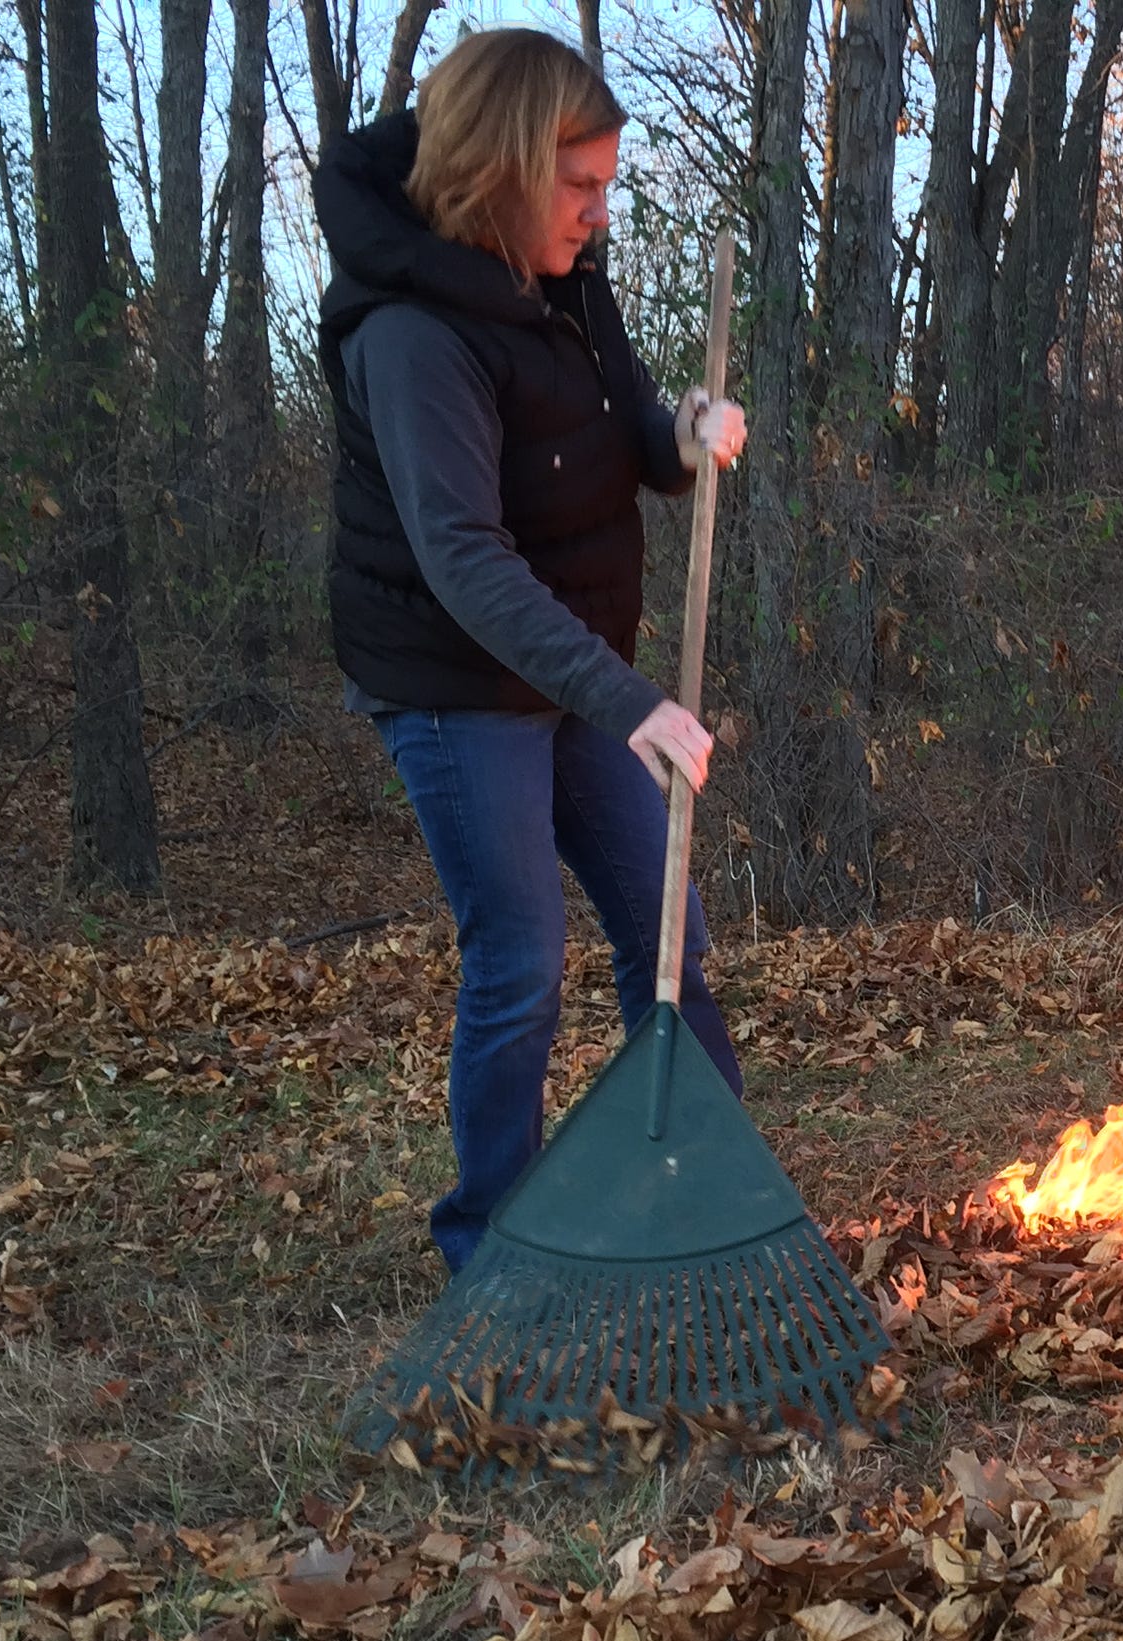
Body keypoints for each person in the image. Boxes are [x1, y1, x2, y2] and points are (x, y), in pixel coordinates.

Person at [314, 28, 750, 1274]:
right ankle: (489, 1250)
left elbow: (614, 438)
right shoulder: (409, 331)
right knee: (520, 957)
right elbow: (464, 561)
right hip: (459, 683)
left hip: (569, 670)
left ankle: (698, 1194)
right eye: (581, 188)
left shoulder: (558, 276)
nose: (599, 215)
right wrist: (633, 702)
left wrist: (683, 433)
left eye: (608, 186)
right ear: (505, 168)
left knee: (667, 930)